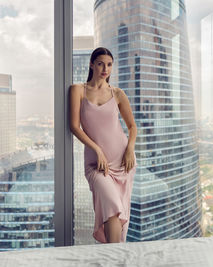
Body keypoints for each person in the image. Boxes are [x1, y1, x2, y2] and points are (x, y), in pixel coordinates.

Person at [69, 47, 137, 243]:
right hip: (97, 164)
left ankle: (114, 258)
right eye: (100, 64)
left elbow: (132, 127)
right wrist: (97, 149)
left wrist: (130, 149)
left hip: (123, 161)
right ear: (92, 64)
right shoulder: (78, 90)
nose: (105, 69)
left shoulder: (117, 93)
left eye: (108, 65)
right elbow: (74, 126)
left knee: (115, 212)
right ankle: (116, 256)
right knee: (113, 205)